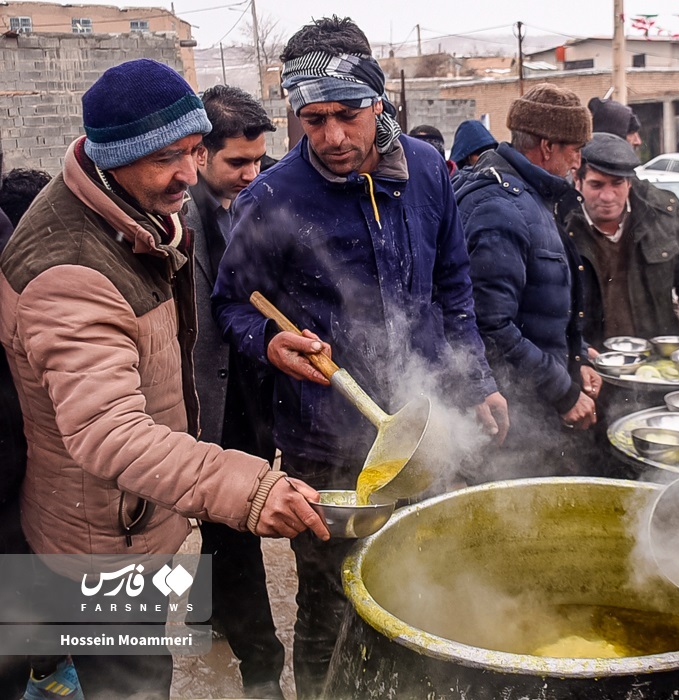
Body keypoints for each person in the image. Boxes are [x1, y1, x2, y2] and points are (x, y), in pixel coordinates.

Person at [0, 58, 326, 700]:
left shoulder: (120, 210)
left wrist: (266, 339)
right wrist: (251, 489)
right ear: (113, 156)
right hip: (97, 541)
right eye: (164, 158)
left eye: (194, 150)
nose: (187, 173)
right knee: (135, 681)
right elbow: (109, 433)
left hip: (130, 515)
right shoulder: (71, 272)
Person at [211, 18, 508, 698]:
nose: (333, 137)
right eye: (313, 119)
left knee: (425, 577)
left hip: (428, 426)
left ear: (379, 102)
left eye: (347, 114)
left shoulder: (430, 173)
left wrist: (478, 380)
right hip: (324, 445)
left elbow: (452, 287)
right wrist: (268, 342)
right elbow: (232, 304)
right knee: (328, 602)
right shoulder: (272, 198)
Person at [181, 84, 285, 699]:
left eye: (258, 160)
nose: (252, 175)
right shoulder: (175, 222)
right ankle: (263, 670)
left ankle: (207, 609)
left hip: (256, 394)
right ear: (200, 156)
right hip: (203, 407)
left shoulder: (263, 205)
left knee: (225, 529)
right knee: (235, 529)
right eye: (236, 163)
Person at [455, 83, 601, 477]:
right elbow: (492, 326)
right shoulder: (499, 208)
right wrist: (564, 391)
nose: (579, 161)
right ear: (547, 146)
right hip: (511, 421)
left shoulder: (530, 196)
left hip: (532, 404)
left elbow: (541, 302)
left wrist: (578, 355)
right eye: (575, 148)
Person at [561, 132, 679, 348]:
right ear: (577, 180)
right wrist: (576, 355)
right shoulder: (561, 224)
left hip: (657, 357)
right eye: (596, 185)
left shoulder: (663, 212)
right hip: (592, 361)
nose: (608, 196)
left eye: (617, 184)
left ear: (630, 183)